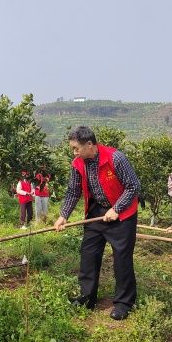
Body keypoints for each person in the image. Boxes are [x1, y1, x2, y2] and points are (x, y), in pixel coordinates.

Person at [54, 126, 140, 320]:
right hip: (96, 212)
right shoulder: (78, 163)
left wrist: (116, 209)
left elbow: (134, 186)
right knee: (89, 255)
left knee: (122, 258)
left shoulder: (115, 158)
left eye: (76, 148)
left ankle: (123, 303)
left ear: (90, 144)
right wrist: (63, 215)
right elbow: (73, 191)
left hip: (122, 214)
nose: (74, 152)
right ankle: (87, 297)